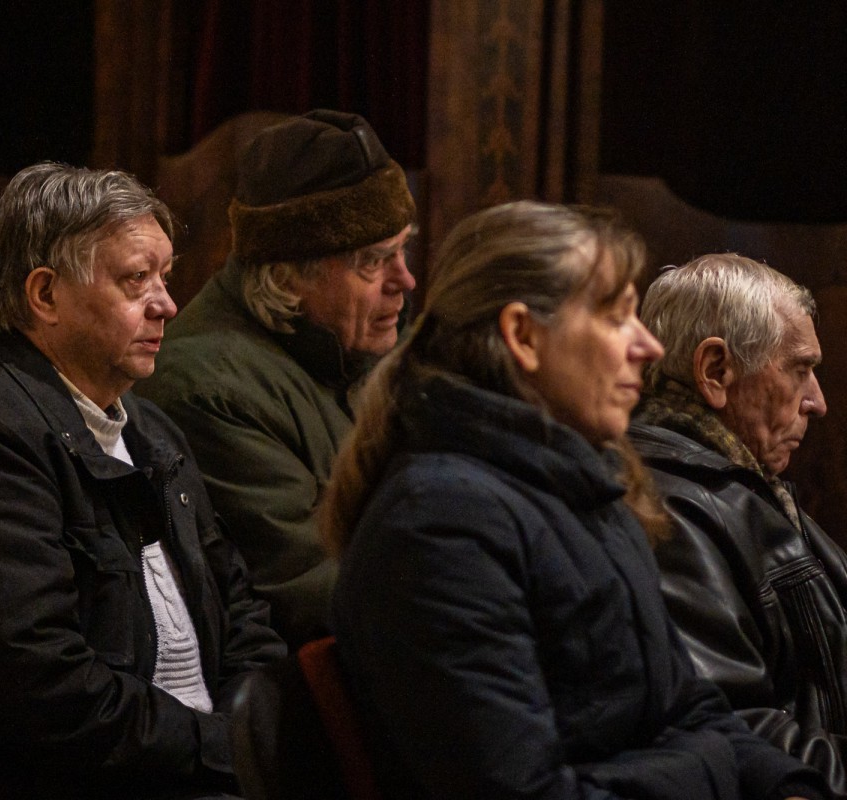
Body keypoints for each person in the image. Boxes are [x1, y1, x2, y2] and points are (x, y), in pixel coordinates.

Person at [324, 200, 828, 799]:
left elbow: (694, 711)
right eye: (616, 317)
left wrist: (790, 787)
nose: (648, 346)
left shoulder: (591, 489)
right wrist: (702, 769)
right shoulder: (439, 526)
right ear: (524, 336)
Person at [0, 162, 286, 800]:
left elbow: (241, 612)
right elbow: (44, 690)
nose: (167, 304)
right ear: (45, 296)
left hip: (182, 767)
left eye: (165, 276)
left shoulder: (150, 431)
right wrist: (232, 750)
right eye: (136, 279)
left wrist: (260, 739)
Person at [137, 109, 417, 648]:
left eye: (403, 249)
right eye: (373, 261)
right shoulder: (208, 390)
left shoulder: (375, 341)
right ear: (289, 273)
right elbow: (314, 589)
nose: (404, 279)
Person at [628, 253, 847, 797]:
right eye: (799, 368)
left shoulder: (741, 486)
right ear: (715, 371)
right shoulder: (671, 510)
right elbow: (735, 732)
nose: (818, 402)